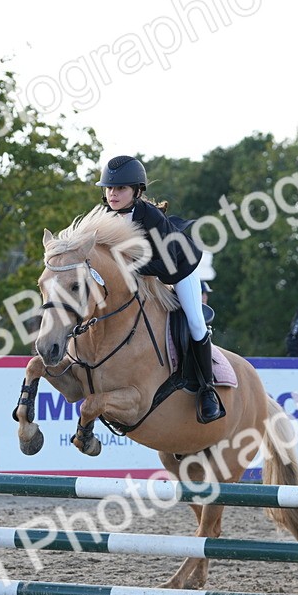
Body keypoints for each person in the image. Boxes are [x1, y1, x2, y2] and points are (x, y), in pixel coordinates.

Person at [96, 155, 223, 423]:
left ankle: (206, 390)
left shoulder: (151, 218)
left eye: (120, 189)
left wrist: (128, 268)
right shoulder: (104, 216)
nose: (113, 194)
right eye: (109, 188)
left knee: (196, 323)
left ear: (137, 191)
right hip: (140, 273)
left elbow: (166, 269)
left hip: (177, 267)